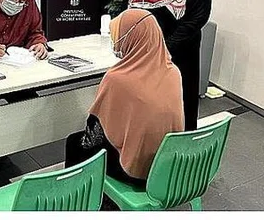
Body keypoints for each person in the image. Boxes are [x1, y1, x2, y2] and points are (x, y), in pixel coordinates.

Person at [64, 9, 185, 185]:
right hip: (167, 164)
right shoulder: (173, 72)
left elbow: (93, 132)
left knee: (75, 143)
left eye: (118, 36)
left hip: (135, 171)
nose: (116, 42)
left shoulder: (118, 79)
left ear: (131, 37)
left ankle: (81, 198)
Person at [127, 0, 214, 130]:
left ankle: (178, 147)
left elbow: (195, 20)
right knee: (148, 103)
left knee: (177, 101)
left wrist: (164, 48)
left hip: (179, 54)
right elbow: (128, 6)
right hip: (144, 51)